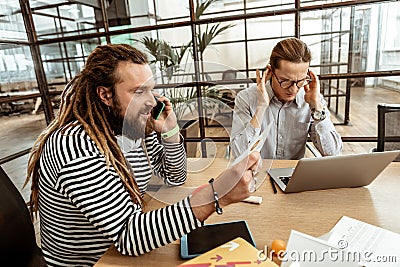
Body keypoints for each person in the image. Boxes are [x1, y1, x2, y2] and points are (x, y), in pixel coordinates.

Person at [24, 44, 260, 266]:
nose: (151, 101)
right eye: (139, 92)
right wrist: (216, 194)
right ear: (105, 95)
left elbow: (175, 177)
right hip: (97, 262)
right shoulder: (75, 146)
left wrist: (170, 132)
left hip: (122, 249)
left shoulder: (134, 127)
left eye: (151, 90)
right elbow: (129, 235)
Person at [230, 37, 342, 160]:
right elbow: (238, 154)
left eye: (300, 81)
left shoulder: (312, 99)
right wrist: (261, 108)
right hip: (257, 173)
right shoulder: (246, 98)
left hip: (294, 175)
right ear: (270, 72)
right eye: (285, 81)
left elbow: (334, 153)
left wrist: (316, 106)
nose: (293, 90)